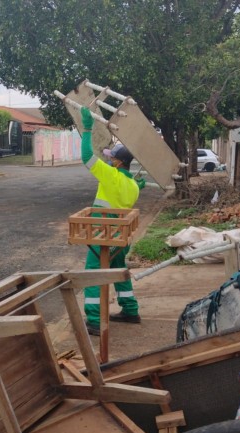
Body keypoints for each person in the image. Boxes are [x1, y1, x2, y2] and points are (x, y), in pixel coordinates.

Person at [79, 107, 144, 336]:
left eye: (111, 158)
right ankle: (130, 309)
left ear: (118, 163)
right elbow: (127, 193)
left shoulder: (110, 175)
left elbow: (87, 157)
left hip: (102, 235)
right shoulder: (134, 185)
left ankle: (95, 320)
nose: (108, 160)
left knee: (93, 274)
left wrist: (87, 128)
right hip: (121, 237)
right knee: (118, 270)